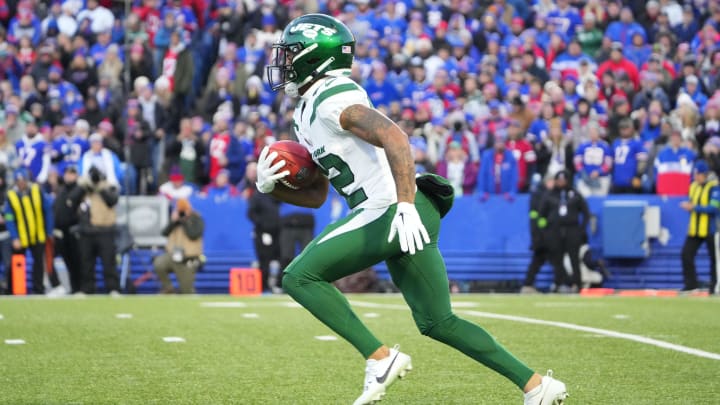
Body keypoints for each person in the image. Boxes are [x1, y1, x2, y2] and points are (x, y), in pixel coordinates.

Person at [260, 14, 567, 405]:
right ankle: (537, 386)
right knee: (439, 321)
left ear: (314, 58)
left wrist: (403, 206)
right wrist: (271, 188)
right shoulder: (304, 114)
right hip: (403, 209)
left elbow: (395, 137)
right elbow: (318, 194)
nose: (283, 63)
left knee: (299, 278)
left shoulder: (331, 97)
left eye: (290, 54)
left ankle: (380, 358)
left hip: (392, 207)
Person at [4, 168, 62, 295]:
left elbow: (47, 211)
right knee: (15, 262)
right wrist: (14, 237)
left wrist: (49, 231)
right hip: (21, 236)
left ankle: (38, 289)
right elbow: (9, 218)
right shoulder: (11, 195)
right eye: (18, 181)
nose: (21, 183)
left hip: (38, 233)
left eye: (22, 180)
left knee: (39, 263)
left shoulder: (36, 190)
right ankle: (11, 290)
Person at [68, 165, 120, 295]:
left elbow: (112, 200)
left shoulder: (108, 186)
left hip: (105, 230)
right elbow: (71, 200)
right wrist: (84, 185)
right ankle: (87, 289)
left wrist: (99, 187)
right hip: (87, 230)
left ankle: (113, 288)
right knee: (86, 263)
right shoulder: (84, 188)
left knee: (109, 263)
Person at [538, 169, 591, 293]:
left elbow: (586, 213)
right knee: (557, 259)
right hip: (555, 230)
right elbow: (541, 214)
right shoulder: (549, 195)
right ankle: (559, 283)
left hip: (572, 230)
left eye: (563, 180)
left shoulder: (575, 194)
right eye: (559, 180)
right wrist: (545, 231)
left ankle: (577, 284)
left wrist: (581, 229)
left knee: (574, 258)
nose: (561, 182)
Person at [679, 160, 719, 295]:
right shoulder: (693, 186)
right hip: (695, 228)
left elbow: (714, 208)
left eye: (698, 174)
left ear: (705, 174)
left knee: (715, 259)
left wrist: (694, 207)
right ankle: (691, 284)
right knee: (686, 254)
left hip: (710, 229)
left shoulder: (714, 187)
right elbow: (692, 203)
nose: (696, 177)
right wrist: (690, 207)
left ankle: (715, 287)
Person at [153, 198, 204, 294]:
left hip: (188, 259)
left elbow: (193, 234)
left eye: (183, 210)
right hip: (173, 256)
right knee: (158, 263)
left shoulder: (196, 219)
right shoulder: (176, 221)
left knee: (187, 291)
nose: (182, 213)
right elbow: (164, 233)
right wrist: (173, 222)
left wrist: (185, 221)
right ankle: (168, 288)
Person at [521, 174, 554, 294]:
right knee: (541, 258)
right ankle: (528, 284)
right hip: (541, 235)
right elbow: (536, 215)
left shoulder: (548, 193)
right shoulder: (539, 194)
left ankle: (528, 283)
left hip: (547, 234)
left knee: (549, 259)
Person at [53, 165, 82, 293]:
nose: (69, 176)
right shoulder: (62, 190)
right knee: (68, 262)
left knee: (77, 261)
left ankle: (79, 288)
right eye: (67, 173)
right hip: (61, 232)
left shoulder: (79, 189)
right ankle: (73, 288)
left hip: (74, 231)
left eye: (72, 173)